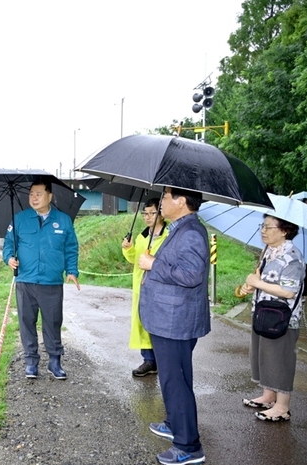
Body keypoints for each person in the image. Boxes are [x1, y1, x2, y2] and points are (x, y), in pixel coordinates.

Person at [138, 187, 209, 465]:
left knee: (175, 381)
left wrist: (153, 263)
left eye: (165, 197)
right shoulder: (179, 228)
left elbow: (191, 275)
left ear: (181, 201)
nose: (161, 202)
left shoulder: (191, 232)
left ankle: (189, 446)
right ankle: (174, 423)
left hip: (175, 320)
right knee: (174, 378)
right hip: (167, 318)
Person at [3, 178, 80, 380]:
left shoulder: (63, 220)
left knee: (53, 322)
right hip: (25, 281)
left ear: (49, 196)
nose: (34, 198)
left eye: (38, 194)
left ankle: (55, 362)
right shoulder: (18, 219)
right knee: (26, 322)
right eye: (31, 194)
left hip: (51, 282)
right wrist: (9, 258)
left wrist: (72, 270)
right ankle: (31, 362)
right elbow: (8, 245)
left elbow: (71, 248)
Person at [240, 214, 305, 422]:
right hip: (264, 315)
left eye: (268, 227)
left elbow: (288, 291)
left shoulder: (292, 256)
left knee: (280, 360)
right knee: (264, 356)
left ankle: (282, 407)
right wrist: (250, 286)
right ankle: (269, 396)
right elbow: (265, 282)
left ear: (284, 230)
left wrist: (258, 284)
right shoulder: (269, 252)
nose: (263, 231)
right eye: (263, 226)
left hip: (282, 320)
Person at [122, 197, 168, 377]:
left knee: (159, 322)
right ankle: (148, 360)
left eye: (152, 213)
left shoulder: (169, 235)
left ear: (161, 214)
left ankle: (162, 360)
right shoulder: (142, 236)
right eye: (145, 213)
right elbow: (135, 259)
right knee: (143, 322)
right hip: (141, 286)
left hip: (160, 286)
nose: (148, 217)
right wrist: (128, 248)